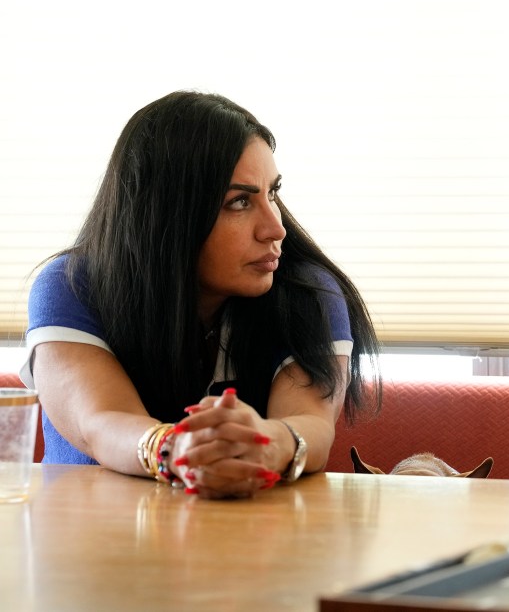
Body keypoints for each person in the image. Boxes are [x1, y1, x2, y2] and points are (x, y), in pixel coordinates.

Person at [21, 90, 381, 499]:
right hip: (91, 539)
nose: (275, 228)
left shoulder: (306, 291)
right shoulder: (69, 285)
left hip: (253, 542)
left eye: (273, 194)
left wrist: (266, 441)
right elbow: (101, 420)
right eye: (239, 201)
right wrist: (176, 451)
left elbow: (311, 423)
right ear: (166, 215)